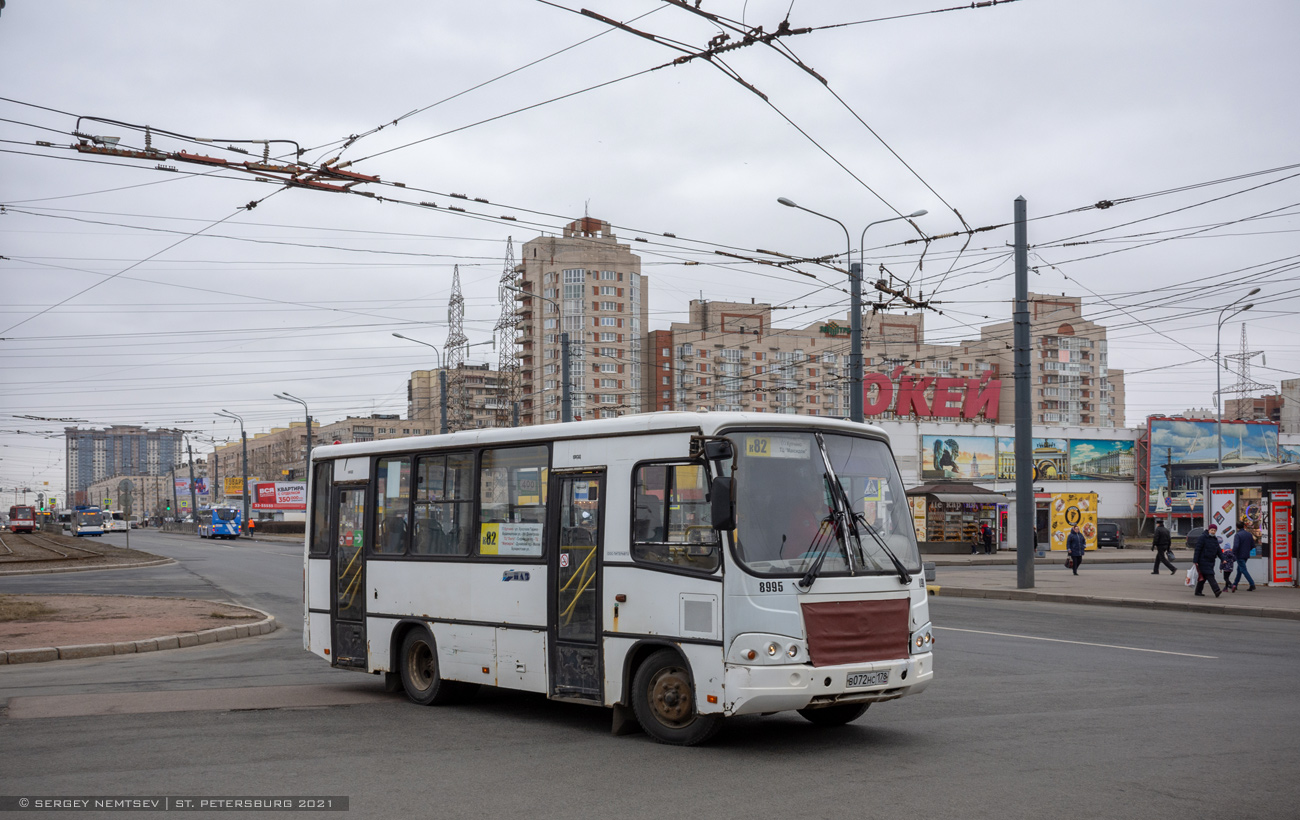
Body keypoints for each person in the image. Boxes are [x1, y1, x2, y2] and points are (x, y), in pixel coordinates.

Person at [1192, 524, 1223, 597]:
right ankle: (1216, 590)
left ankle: (1198, 591)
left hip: (1211, 560)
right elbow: (1198, 549)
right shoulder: (1202, 538)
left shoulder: (1215, 539)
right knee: (1210, 575)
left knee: (1204, 577)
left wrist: (1223, 559)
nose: (1213, 532)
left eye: (1214, 530)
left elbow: (1219, 551)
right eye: (1212, 530)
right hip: (1203, 560)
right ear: (1208, 530)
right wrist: (1195, 561)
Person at [1232, 519, 1258, 592]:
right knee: (1239, 570)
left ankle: (1252, 584)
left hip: (1239, 555)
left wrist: (1233, 553)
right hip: (1246, 554)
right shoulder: (1249, 534)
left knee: (1243, 569)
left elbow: (1236, 546)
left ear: (1237, 527)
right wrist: (1247, 550)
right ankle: (1235, 584)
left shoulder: (1237, 535)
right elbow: (1253, 545)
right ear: (1244, 526)